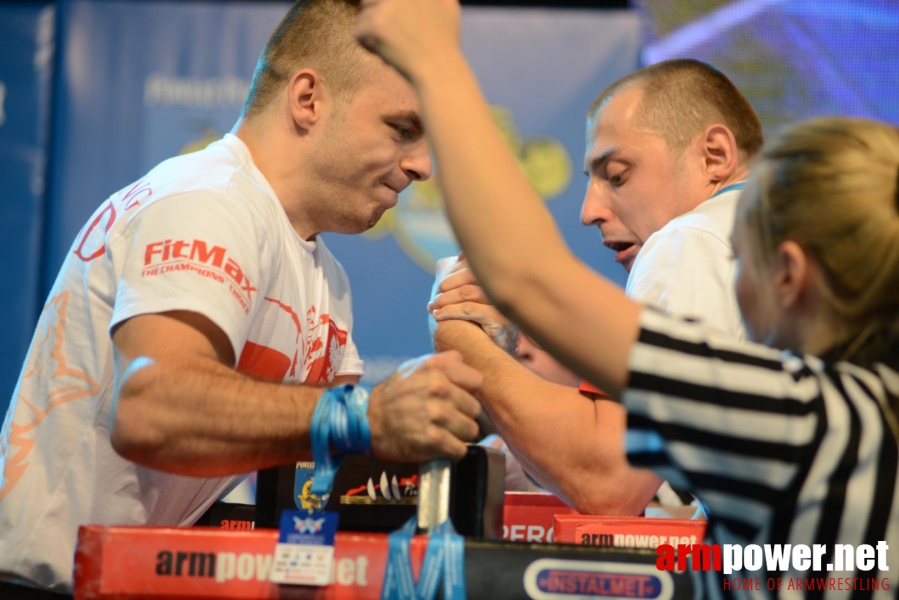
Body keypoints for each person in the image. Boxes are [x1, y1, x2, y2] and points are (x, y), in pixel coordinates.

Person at [357, 1, 898, 595]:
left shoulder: (792, 411)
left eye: (746, 249)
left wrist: (437, 61)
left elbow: (607, 477)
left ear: (790, 275)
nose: (591, 210)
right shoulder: (866, 415)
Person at [0, 1, 483, 594]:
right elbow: (152, 408)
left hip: (129, 581)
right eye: (403, 129)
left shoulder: (324, 276)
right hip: (40, 583)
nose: (422, 166)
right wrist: (368, 414)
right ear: (308, 99)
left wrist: (475, 367)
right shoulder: (207, 200)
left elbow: (327, 472)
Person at [423, 57, 762, 515]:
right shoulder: (762, 234)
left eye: (617, 174)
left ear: (714, 156)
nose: (589, 211)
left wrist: (462, 341)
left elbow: (609, 481)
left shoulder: (690, 238)